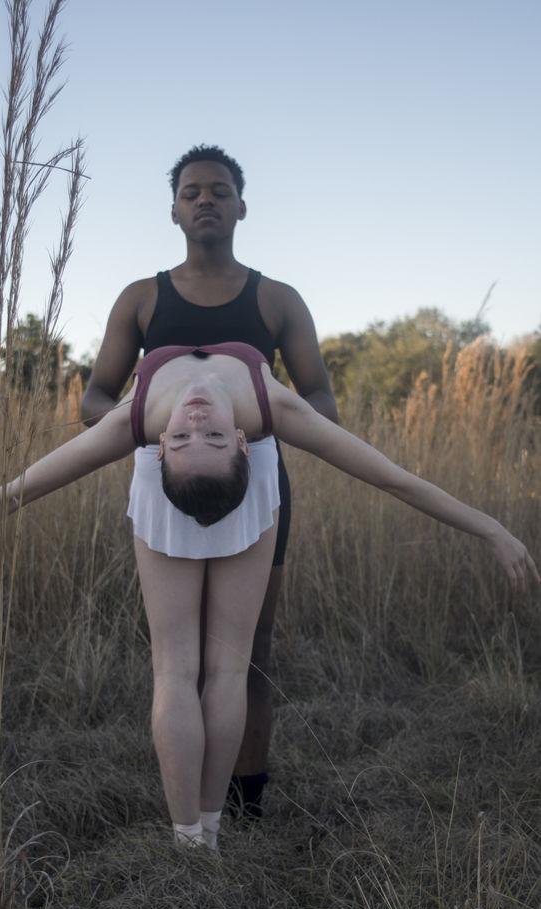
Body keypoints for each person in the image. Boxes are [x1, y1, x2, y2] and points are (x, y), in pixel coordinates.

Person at [0, 341, 539, 854]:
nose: (194, 422)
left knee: (225, 666)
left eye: (209, 435)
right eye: (194, 435)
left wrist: (489, 527)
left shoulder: (201, 421)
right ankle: (188, 838)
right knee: (178, 667)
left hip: (245, 496)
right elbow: (19, 488)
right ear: (156, 449)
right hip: (176, 495)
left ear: (247, 448)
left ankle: (207, 830)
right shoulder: (237, 413)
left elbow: (390, 477)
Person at [80, 144, 340, 824]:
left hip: (255, 484)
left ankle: (245, 801)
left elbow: (319, 397)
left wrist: (254, 423)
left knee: (251, 651)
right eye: (192, 191)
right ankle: (189, 804)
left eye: (219, 190)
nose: (205, 200)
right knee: (178, 656)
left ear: (241, 206)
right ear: (173, 209)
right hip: (169, 482)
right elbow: (95, 397)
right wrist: (150, 421)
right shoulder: (142, 299)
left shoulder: (277, 299)